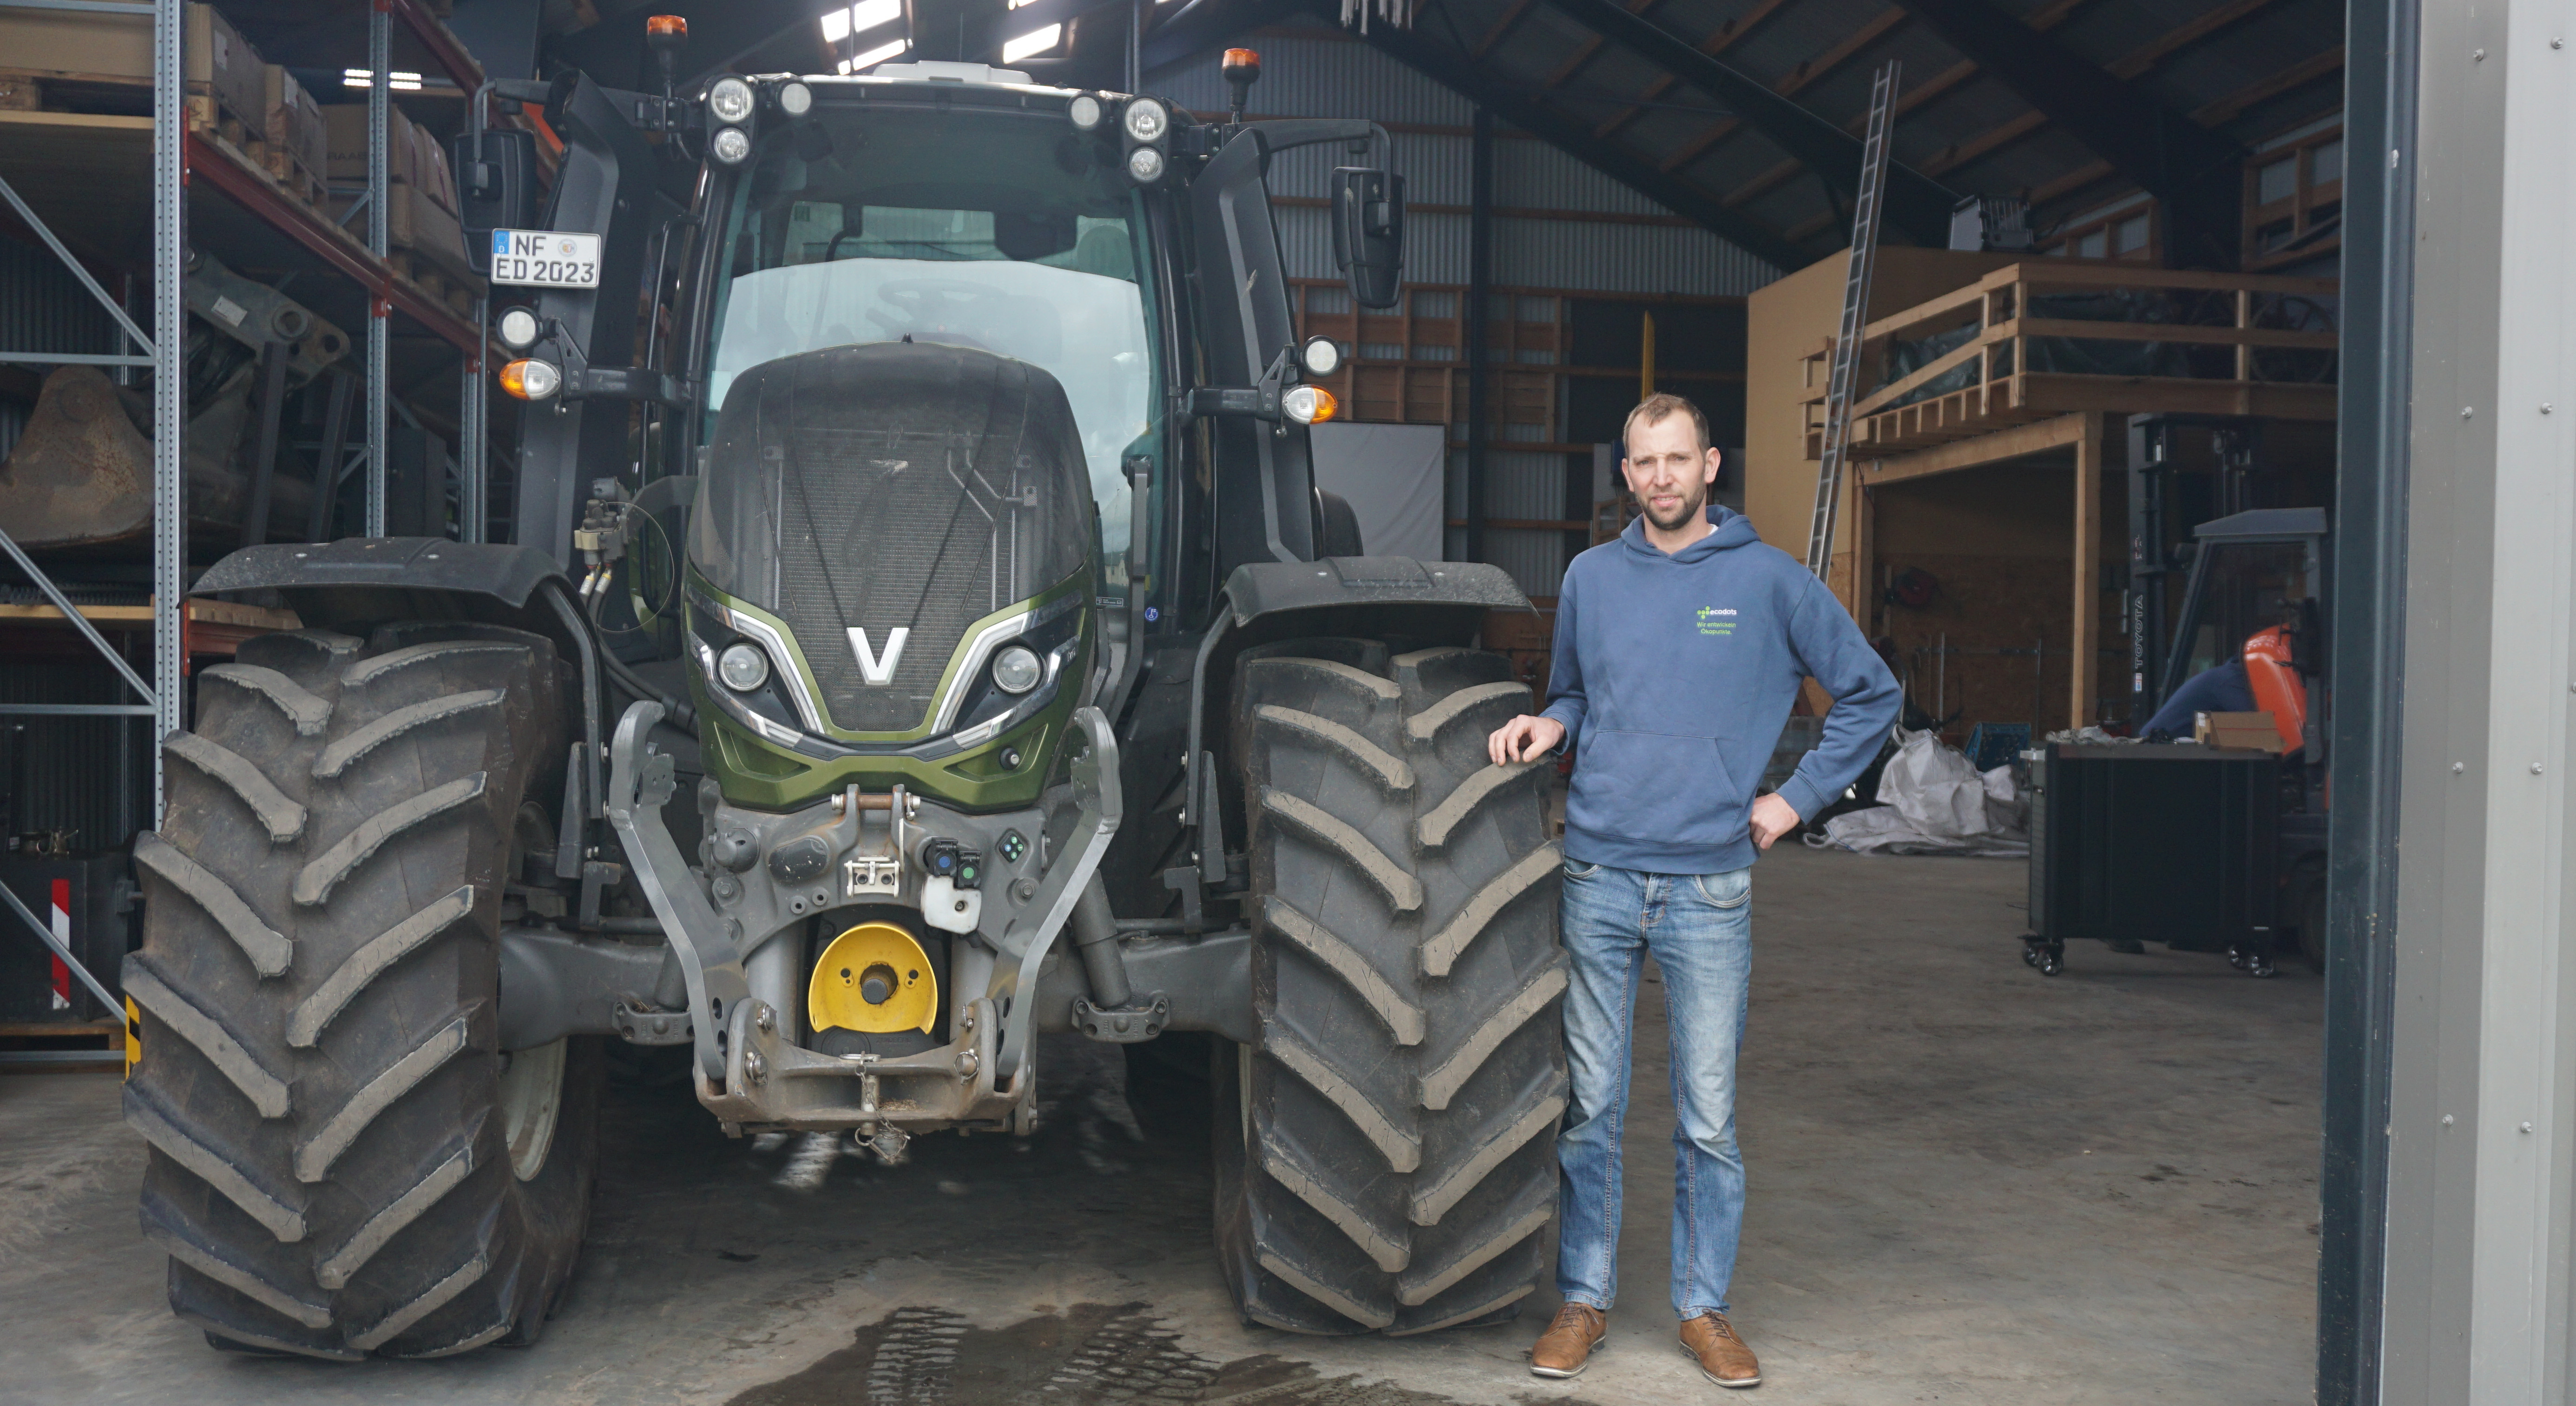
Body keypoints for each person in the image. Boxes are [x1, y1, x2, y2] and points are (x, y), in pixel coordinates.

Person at [1489, 393, 1900, 1389]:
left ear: (1711, 465)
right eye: (1644, 462)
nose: (1661, 477)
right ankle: (1583, 1298)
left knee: (1707, 1117)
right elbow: (1576, 689)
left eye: (1678, 459)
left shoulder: (1770, 580)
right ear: (1626, 473)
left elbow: (1872, 692)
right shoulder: (1590, 577)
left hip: (1710, 884)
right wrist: (1552, 723)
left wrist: (1795, 799)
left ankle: (1703, 1307)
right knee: (1591, 1107)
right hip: (1597, 872)